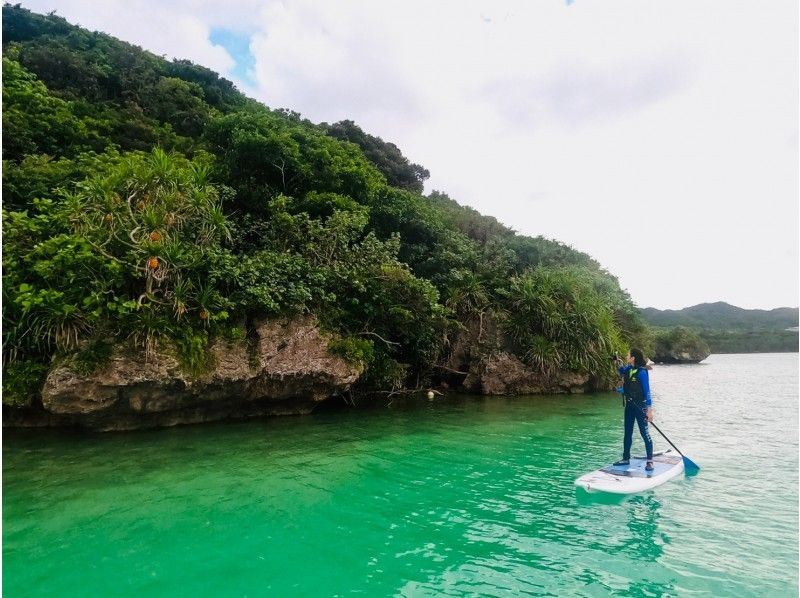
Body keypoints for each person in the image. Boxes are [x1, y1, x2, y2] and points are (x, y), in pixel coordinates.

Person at [614, 349, 654, 471]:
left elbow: (647, 391)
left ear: (633, 358)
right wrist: (616, 361)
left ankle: (650, 461)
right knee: (627, 432)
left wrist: (649, 410)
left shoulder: (642, 372)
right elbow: (621, 371)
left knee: (644, 433)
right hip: (630, 406)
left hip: (640, 407)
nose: (626, 356)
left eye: (628, 355)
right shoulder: (628, 369)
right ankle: (626, 458)